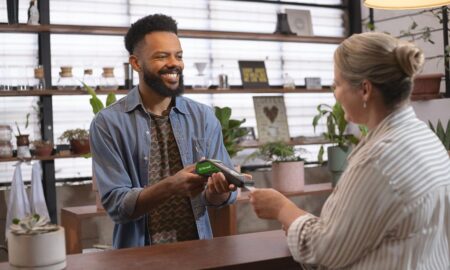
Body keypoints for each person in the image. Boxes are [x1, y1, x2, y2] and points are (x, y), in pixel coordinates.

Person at [249, 32, 450, 269]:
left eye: (337, 84)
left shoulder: (378, 161)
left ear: (365, 89)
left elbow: (324, 251)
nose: (335, 93)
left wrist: (283, 209)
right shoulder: (427, 139)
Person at [90, 14, 237, 249]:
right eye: (162, 56)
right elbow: (117, 205)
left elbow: (217, 198)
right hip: (139, 257)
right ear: (136, 63)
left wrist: (219, 190)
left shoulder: (203, 117)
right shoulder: (107, 124)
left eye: (178, 56)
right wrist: (170, 186)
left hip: (198, 252)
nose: (174, 63)